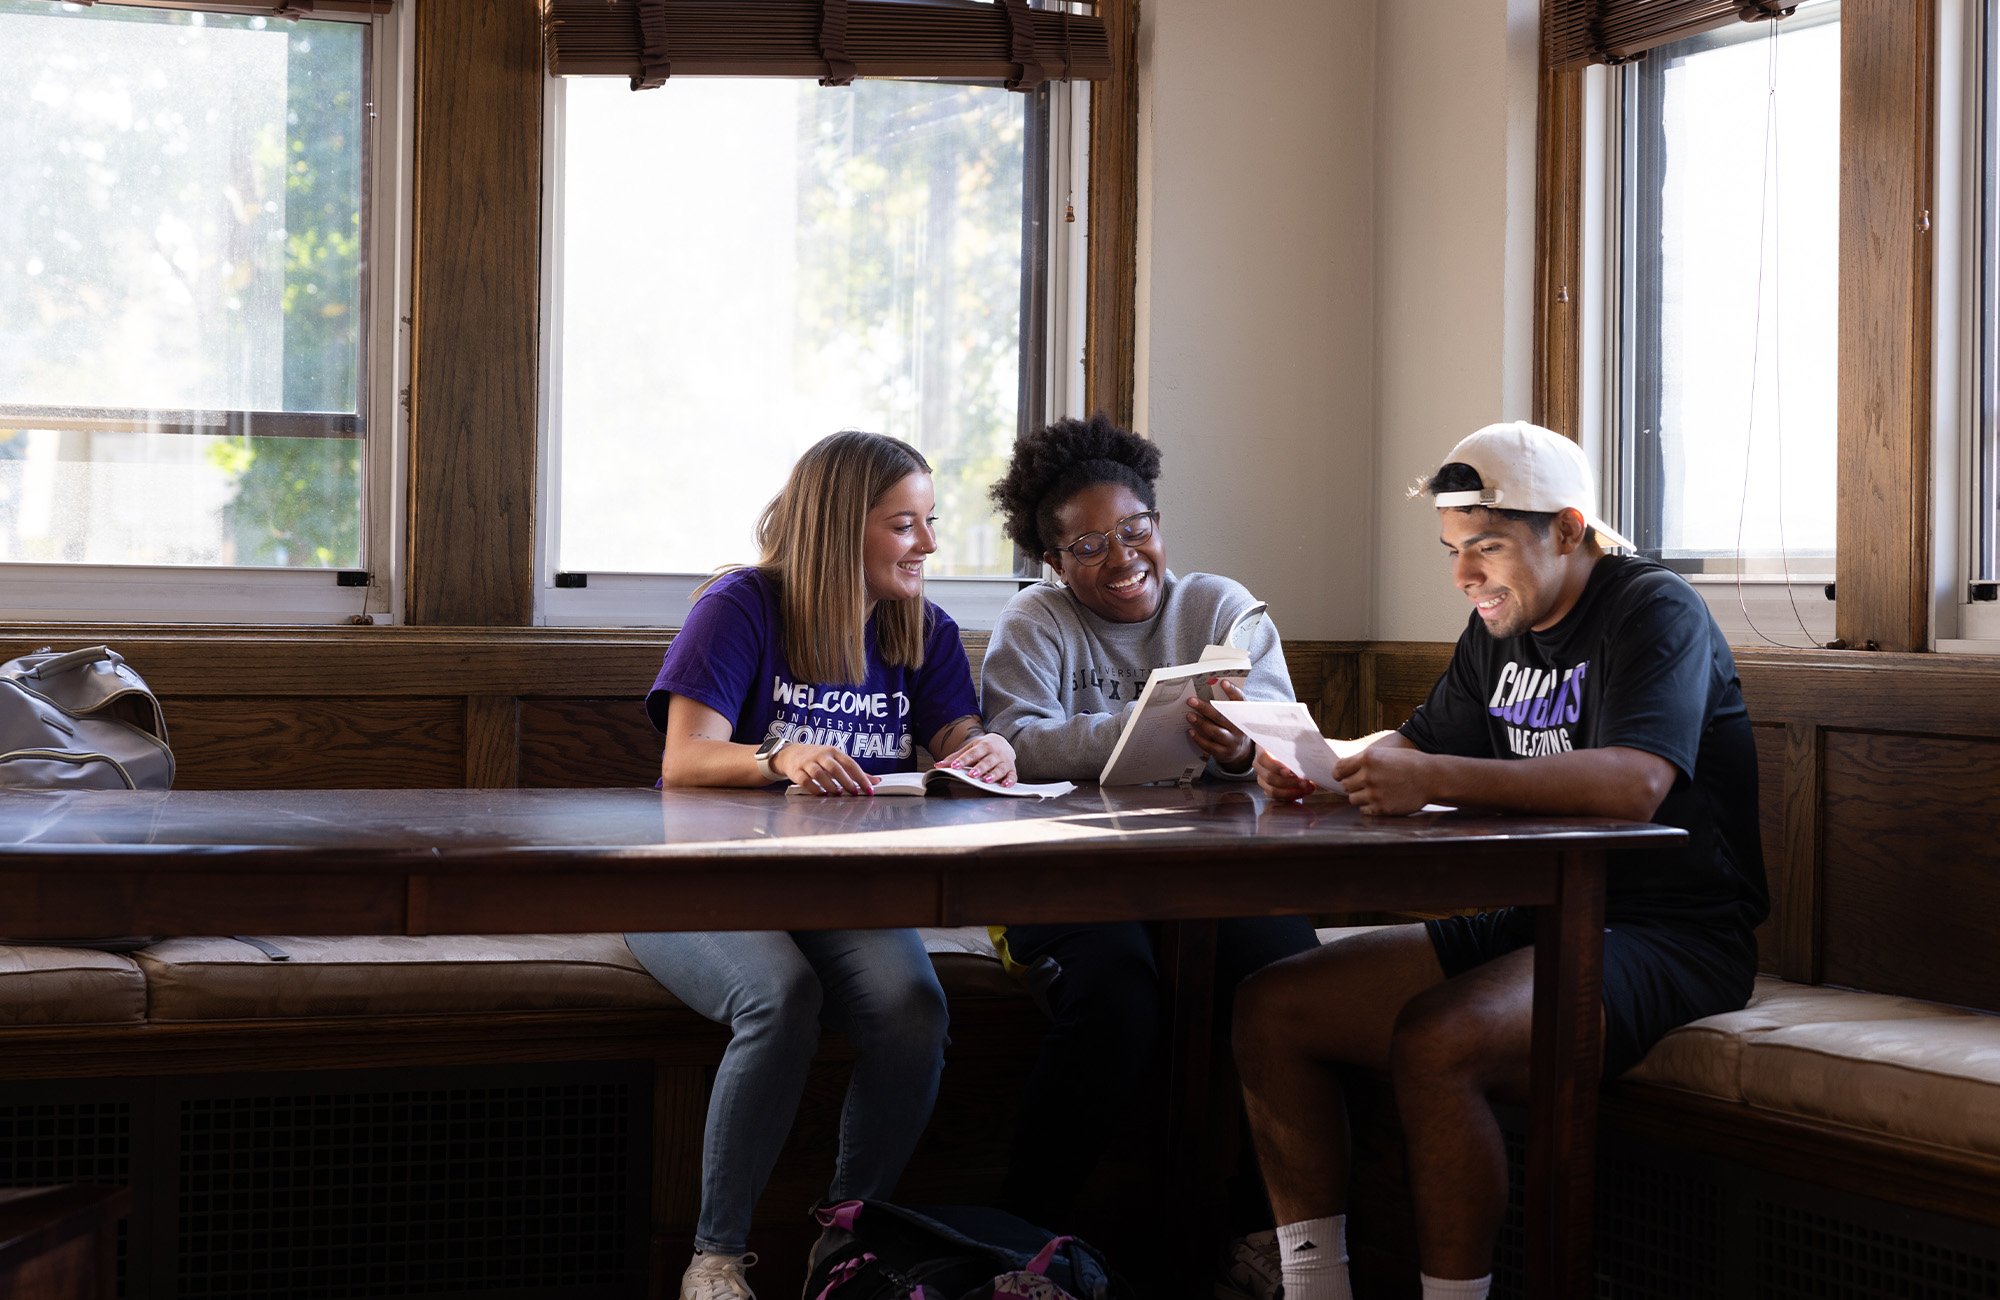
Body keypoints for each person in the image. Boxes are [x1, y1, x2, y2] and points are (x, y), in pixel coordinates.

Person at [1233, 420, 1767, 1300]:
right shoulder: (1496, 628)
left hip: (1671, 931)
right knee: (1274, 1007)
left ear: (1567, 527)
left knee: (1438, 1040)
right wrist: (1317, 766)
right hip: (1540, 914)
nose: (1463, 575)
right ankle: (1315, 1289)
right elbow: (1411, 745)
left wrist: (1429, 775)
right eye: (1452, 549)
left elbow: (1636, 784)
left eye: (1485, 547)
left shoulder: (1654, 607)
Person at [629, 430, 1016, 1300]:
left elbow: (955, 738)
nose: (927, 546)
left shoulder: (925, 627)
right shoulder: (741, 605)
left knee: (914, 1008)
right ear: (844, 527)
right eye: (904, 525)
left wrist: (984, 747)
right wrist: (781, 755)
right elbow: (688, 760)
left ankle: (847, 1238)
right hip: (693, 878)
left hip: (841, 886)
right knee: (780, 997)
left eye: (929, 522)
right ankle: (715, 1259)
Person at [980, 412, 1318, 1274]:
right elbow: (1015, 742)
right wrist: (1149, 723)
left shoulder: (1221, 606)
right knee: (1118, 998)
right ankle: (1019, 1246)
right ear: (1053, 562)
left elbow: (1281, 742)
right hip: (1063, 879)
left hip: (1212, 877)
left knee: (1283, 983)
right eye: (1089, 544)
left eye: (1136, 529)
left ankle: (1263, 1239)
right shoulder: (1035, 622)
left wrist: (1241, 748)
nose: (1123, 556)